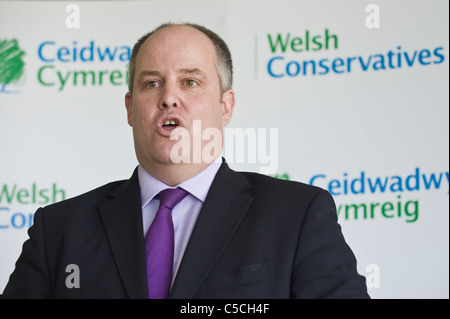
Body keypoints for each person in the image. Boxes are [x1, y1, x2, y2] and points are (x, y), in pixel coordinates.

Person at [2, 22, 370, 299]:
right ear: (130, 109)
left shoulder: (297, 214)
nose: (169, 98)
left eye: (190, 82)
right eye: (151, 83)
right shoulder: (59, 229)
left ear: (225, 106)